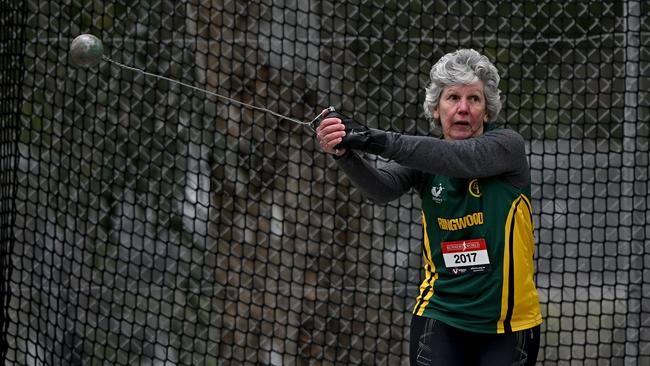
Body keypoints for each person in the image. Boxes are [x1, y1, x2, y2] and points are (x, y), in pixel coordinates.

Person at [315, 48, 543, 365]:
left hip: (508, 325)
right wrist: (344, 154)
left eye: (474, 99)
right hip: (441, 316)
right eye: (452, 98)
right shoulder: (424, 160)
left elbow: (458, 159)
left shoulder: (507, 147)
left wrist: (370, 137)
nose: (463, 109)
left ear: (487, 111)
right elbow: (381, 189)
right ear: (435, 109)